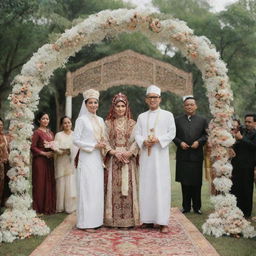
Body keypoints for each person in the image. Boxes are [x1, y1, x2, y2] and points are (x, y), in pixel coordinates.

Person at [135, 85, 176, 233]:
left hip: (160, 157)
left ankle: (163, 221)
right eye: (150, 97)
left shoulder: (167, 115)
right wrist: (143, 141)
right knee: (147, 186)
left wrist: (158, 139)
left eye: (155, 97)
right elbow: (137, 134)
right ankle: (147, 220)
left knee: (161, 186)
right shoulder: (141, 116)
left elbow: (172, 133)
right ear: (146, 100)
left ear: (160, 99)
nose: (153, 100)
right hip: (146, 157)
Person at [104, 93, 140, 228]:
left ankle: (130, 220)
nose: (120, 109)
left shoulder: (133, 123)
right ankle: (113, 220)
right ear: (113, 107)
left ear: (126, 107)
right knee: (114, 188)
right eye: (117, 106)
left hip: (128, 159)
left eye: (122, 106)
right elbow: (104, 140)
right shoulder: (107, 123)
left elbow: (137, 141)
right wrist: (113, 152)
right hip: (113, 159)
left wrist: (129, 153)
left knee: (129, 188)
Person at [73, 89, 106, 231]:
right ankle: (86, 223)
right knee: (87, 189)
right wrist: (93, 145)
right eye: (90, 102)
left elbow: (103, 137)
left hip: (98, 158)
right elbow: (76, 140)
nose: (93, 105)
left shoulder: (100, 120)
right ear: (85, 104)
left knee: (96, 189)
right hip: (87, 157)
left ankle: (97, 220)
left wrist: (103, 145)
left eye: (95, 102)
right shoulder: (81, 120)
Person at [174, 96, 208, 215]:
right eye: (187, 105)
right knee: (185, 182)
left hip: (196, 155)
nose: (189, 106)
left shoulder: (202, 120)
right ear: (184, 107)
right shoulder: (177, 120)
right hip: (183, 155)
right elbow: (173, 135)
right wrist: (180, 143)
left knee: (196, 182)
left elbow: (206, 135)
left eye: (191, 104)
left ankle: (197, 207)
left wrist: (199, 142)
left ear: (196, 106)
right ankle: (186, 207)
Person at [231, 114, 256, 218]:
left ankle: (246, 213)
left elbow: (254, 146)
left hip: (249, 166)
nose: (247, 124)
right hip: (236, 166)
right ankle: (236, 210)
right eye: (246, 121)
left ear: (255, 123)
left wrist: (241, 138)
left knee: (247, 189)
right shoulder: (242, 131)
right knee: (236, 188)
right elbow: (237, 145)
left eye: (249, 122)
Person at [31, 112, 56, 215]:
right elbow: (33, 147)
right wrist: (44, 153)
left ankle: (48, 207)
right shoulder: (37, 132)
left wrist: (54, 151)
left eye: (47, 118)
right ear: (39, 120)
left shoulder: (50, 132)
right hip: (40, 161)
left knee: (49, 182)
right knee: (40, 183)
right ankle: (39, 208)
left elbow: (54, 145)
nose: (46, 120)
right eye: (43, 119)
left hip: (49, 160)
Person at [54, 116, 76, 213]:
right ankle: (60, 207)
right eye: (65, 123)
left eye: (69, 122)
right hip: (61, 160)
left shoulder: (75, 135)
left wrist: (70, 150)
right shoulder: (58, 135)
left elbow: (77, 148)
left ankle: (69, 207)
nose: (67, 124)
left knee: (70, 183)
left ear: (71, 123)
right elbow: (55, 147)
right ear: (62, 125)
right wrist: (61, 151)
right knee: (61, 183)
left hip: (71, 162)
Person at [0, 118, 11, 207]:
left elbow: (7, 148)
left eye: (1, 125)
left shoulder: (4, 136)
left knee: (4, 183)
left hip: (5, 162)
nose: (0, 126)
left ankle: (3, 201)